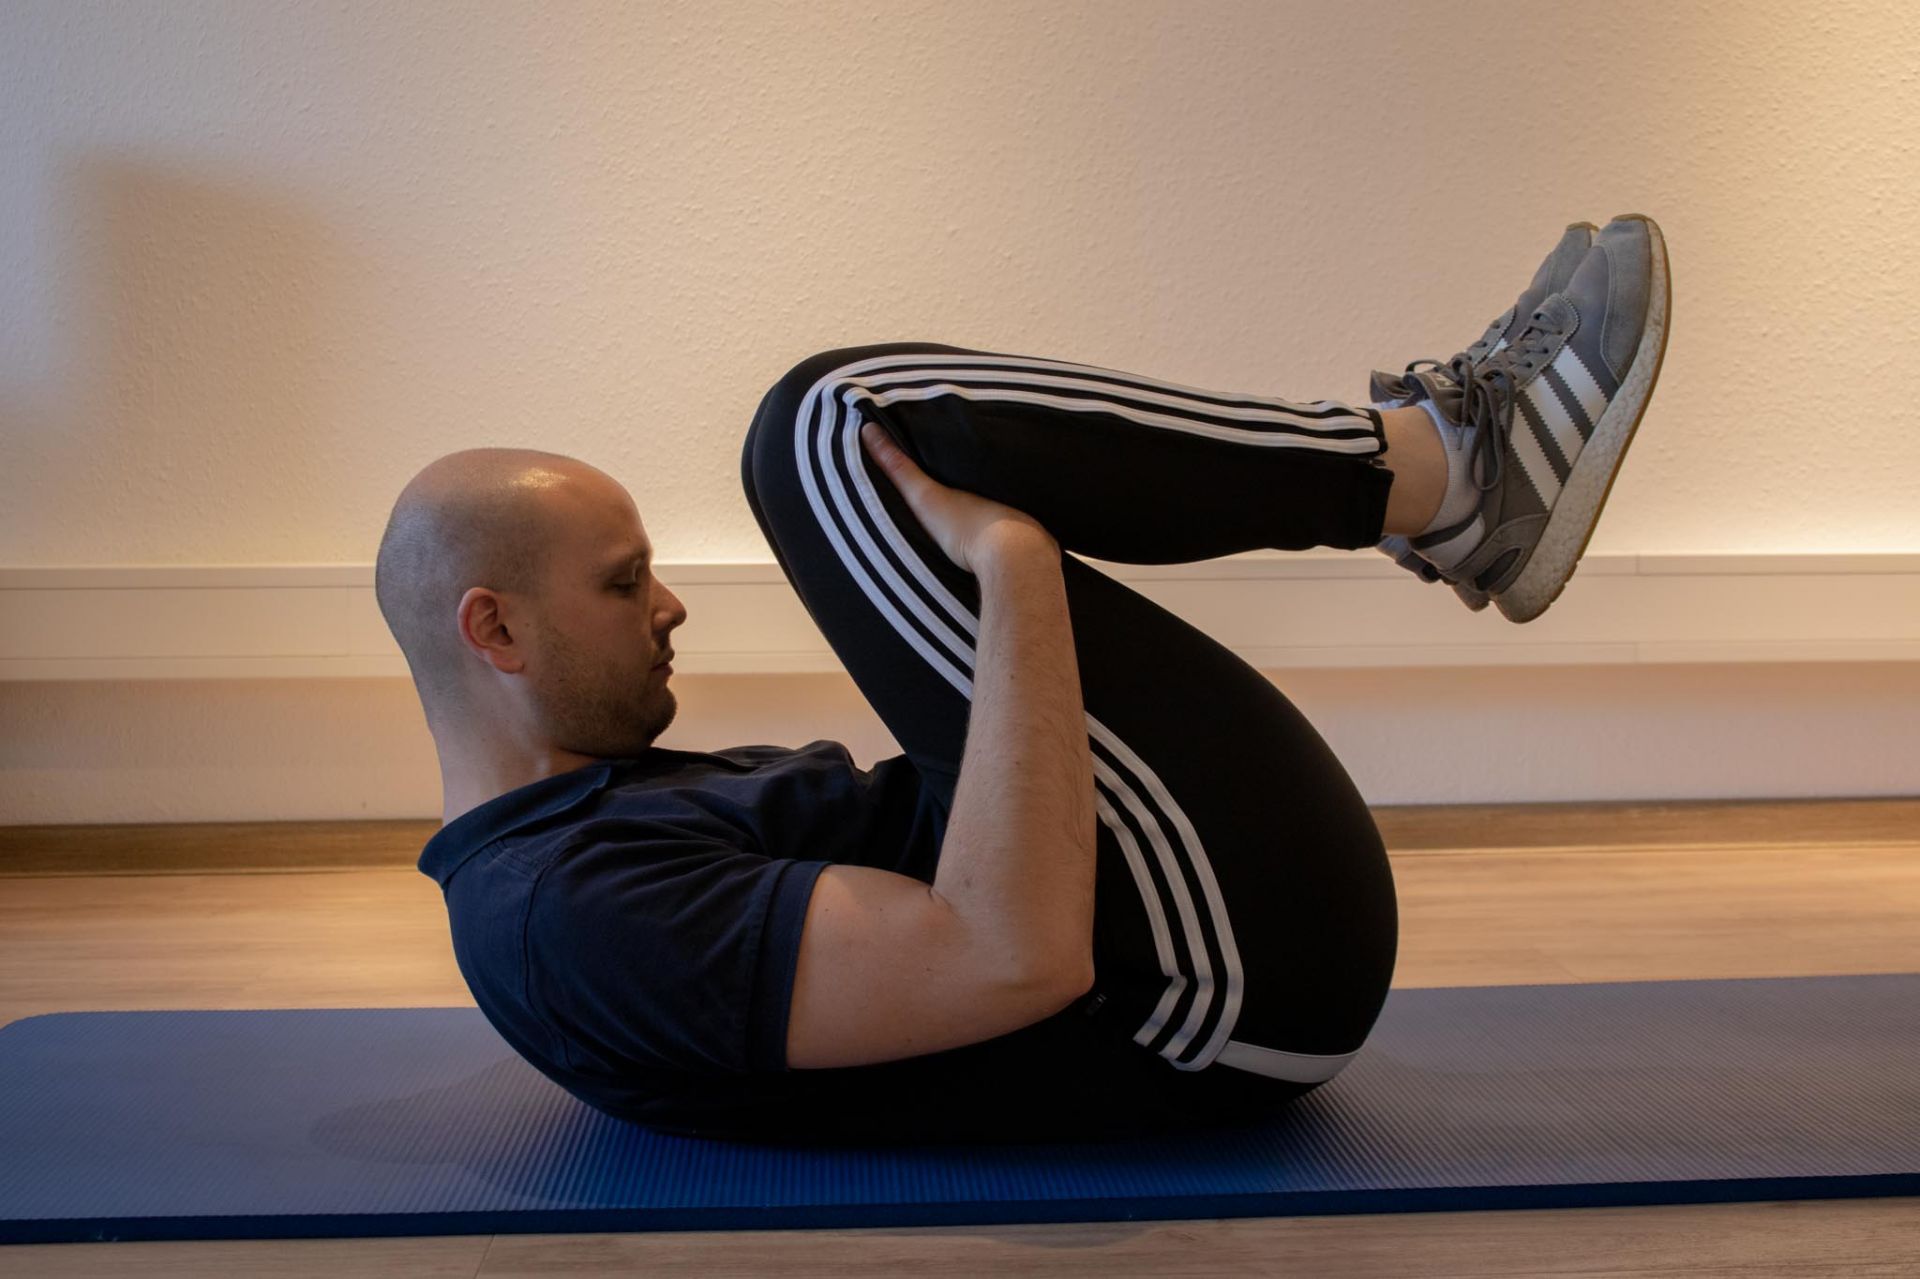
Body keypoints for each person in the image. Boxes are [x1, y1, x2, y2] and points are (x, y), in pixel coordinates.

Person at [375, 214, 1668, 1146]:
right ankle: (1444, 476)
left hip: (1211, 942)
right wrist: (1013, 571)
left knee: (832, 426)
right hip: (1208, 996)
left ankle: (1441, 483)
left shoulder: (583, 835)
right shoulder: (567, 913)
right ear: (493, 630)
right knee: (833, 421)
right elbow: (1007, 960)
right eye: (620, 584)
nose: (668, 605)